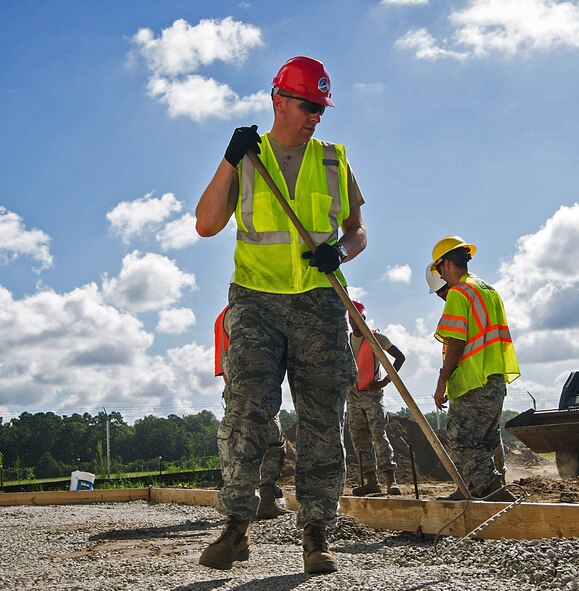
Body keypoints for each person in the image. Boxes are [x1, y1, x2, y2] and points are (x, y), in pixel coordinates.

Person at [195, 56, 366, 575]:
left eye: (321, 107)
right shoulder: (248, 158)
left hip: (318, 304)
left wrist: (341, 250)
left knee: (320, 422)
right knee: (246, 412)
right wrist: (228, 159)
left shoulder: (334, 160)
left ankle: (316, 535)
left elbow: (358, 230)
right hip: (256, 303)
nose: (316, 116)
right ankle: (236, 527)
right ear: (279, 100)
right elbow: (205, 224)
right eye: (309, 105)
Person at [430, 236, 520, 502]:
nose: (441, 278)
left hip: (473, 379)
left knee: (461, 439)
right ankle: (469, 489)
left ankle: (491, 491)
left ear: (446, 264)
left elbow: (456, 341)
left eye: (439, 270)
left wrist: (441, 381)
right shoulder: (488, 290)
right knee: (485, 441)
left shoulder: (459, 292)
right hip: (494, 376)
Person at [214, 306, 292, 520]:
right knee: (259, 442)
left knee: (262, 441)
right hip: (250, 389)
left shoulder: (227, 315)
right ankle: (251, 502)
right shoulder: (240, 312)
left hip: (252, 389)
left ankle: (258, 500)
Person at [346, 300, 406, 496]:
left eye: (361, 318)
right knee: (359, 440)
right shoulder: (345, 340)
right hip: (353, 398)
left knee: (379, 437)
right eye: (355, 319)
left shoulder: (376, 338)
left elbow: (400, 357)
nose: (359, 322)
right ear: (350, 321)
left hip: (372, 396)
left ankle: (390, 480)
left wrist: (386, 381)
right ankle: (371, 482)